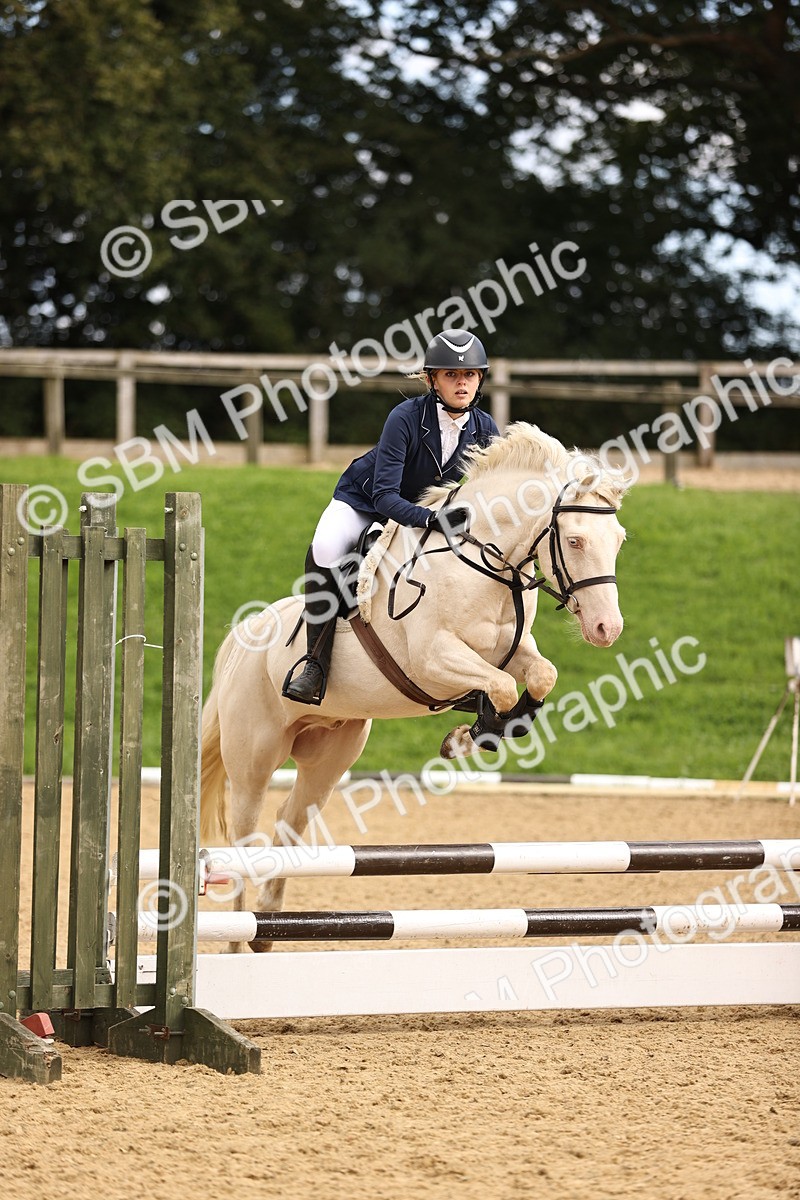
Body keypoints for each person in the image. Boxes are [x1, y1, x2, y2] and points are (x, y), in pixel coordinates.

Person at [283, 328, 500, 704]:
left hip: (422, 509)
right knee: (327, 546)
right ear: (433, 380)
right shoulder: (405, 416)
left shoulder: (485, 429)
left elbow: (489, 492)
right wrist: (432, 521)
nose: (461, 382)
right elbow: (385, 496)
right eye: (451, 375)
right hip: (365, 500)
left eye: (469, 375)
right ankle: (313, 665)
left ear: (480, 379)